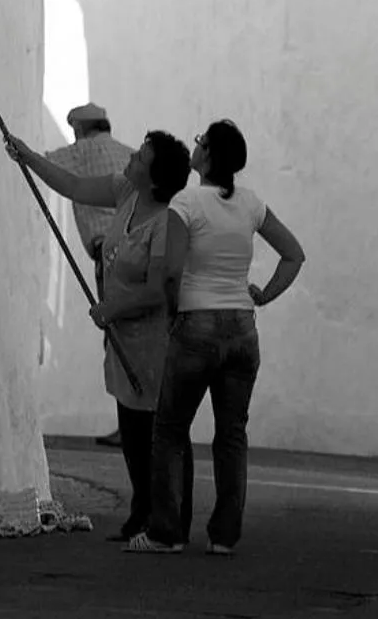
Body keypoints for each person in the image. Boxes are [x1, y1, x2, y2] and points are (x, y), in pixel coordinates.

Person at [127, 118, 305, 558]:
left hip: (196, 323)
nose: (196, 144)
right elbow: (293, 254)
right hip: (242, 328)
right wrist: (262, 295)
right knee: (231, 435)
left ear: (207, 157)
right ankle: (224, 536)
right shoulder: (249, 203)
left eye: (201, 142)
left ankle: (166, 532)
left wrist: (173, 314)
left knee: (169, 430)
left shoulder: (186, 201)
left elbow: (170, 270)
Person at [6, 130, 193, 540]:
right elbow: (73, 186)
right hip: (122, 336)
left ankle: (169, 517)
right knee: (131, 426)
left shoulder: (166, 223)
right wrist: (29, 159)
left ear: (155, 178)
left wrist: (111, 308)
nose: (130, 158)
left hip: (153, 342)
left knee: (158, 431)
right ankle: (142, 509)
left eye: (140, 157)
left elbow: (157, 290)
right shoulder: (126, 191)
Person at [44, 102, 133, 448]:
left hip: (108, 256)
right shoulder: (129, 154)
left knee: (115, 336)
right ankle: (136, 419)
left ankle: (128, 422)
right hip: (137, 250)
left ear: (80, 129)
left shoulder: (82, 151)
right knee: (131, 332)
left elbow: (44, 164)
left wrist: (18, 150)